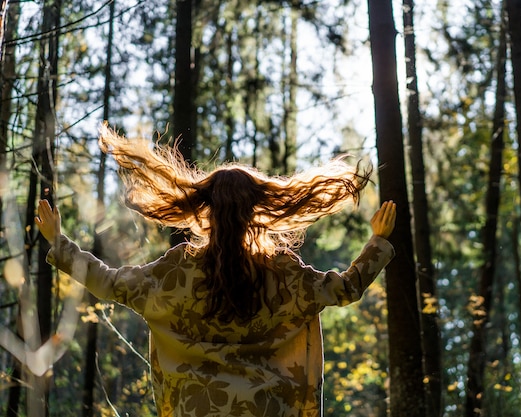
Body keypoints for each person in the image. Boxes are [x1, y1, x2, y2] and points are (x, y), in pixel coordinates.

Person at [35, 124, 396, 417]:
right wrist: (377, 242)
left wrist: (60, 244)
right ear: (259, 210)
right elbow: (345, 289)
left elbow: (109, 283)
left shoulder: (177, 271)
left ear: (204, 209)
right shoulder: (282, 273)